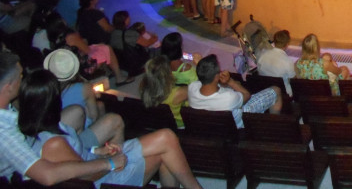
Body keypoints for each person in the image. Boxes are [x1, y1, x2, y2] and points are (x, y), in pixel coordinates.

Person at [19, 68, 203, 189]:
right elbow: (84, 178)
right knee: (167, 141)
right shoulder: (53, 143)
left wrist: (97, 151)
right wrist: (111, 162)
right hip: (105, 180)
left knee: (167, 145)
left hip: (98, 161)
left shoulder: (40, 127)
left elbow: (72, 158)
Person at [0, 51, 128, 185]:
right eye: (21, 76)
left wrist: (95, 151)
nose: (24, 79)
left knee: (83, 115)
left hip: (50, 147)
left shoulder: (10, 106)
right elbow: (47, 175)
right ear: (9, 87)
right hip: (37, 172)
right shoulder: (4, 133)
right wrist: (108, 163)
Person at [187, 54, 282, 128]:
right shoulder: (228, 97)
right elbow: (247, 95)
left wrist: (201, 65)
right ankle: (274, 124)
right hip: (236, 121)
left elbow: (205, 80)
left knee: (237, 83)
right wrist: (230, 81)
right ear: (216, 77)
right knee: (276, 90)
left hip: (214, 123)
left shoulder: (192, 87)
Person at [139, 56, 188, 128]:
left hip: (160, 121)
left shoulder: (143, 86)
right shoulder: (179, 92)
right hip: (178, 124)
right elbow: (199, 89)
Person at [256, 30, 296, 96]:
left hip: (264, 91)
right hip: (283, 94)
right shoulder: (287, 61)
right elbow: (293, 80)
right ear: (287, 44)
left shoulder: (262, 55)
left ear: (274, 42)